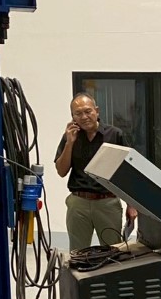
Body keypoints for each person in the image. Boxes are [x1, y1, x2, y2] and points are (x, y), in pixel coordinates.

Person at [54, 93, 137, 251]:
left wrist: (131, 204)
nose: (84, 117)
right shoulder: (70, 137)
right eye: (78, 113)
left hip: (107, 202)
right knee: (78, 253)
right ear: (73, 117)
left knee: (112, 253)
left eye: (88, 111)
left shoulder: (115, 135)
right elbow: (61, 171)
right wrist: (69, 143)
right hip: (78, 203)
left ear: (96, 111)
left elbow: (128, 172)